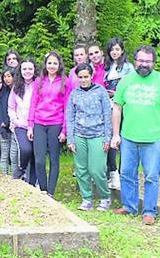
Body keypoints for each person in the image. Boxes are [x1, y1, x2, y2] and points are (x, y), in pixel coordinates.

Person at [111, 45, 160, 225]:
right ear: (135, 61)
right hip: (128, 137)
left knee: (151, 176)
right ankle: (129, 206)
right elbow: (117, 107)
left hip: (153, 140)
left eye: (148, 61)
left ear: (153, 63)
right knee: (126, 173)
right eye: (140, 60)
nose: (144, 64)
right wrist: (116, 134)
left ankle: (149, 211)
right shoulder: (126, 80)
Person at [66, 63, 112, 211]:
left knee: (96, 169)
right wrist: (71, 139)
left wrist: (107, 138)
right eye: (80, 77)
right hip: (79, 135)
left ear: (91, 76)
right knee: (81, 169)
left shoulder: (101, 91)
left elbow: (107, 115)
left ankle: (105, 197)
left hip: (97, 134)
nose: (83, 80)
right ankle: (86, 199)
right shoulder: (74, 93)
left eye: (86, 77)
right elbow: (70, 117)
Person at [28, 51, 70, 197]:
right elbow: (33, 103)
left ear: (59, 65)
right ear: (45, 65)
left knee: (54, 159)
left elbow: (67, 107)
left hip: (56, 124)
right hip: (39, 123)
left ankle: (50, 192)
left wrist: (64, 130)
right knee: (39, 160)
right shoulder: (39, 81)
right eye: (49, 63)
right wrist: (30, 125)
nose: (52, 66)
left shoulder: (65, 82)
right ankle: (43, 189)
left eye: (55, 63)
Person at [104, 37, 134, 190]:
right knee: (110, 140)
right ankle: (113, 172)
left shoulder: (128, 68)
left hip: (123, 107)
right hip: (108, 107)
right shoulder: (106, 68)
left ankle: (124, 175)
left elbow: (132, 86)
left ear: (122, 50)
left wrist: (116, 92)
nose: (114, 52)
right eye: (112, 49)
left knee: (122, 139)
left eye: (117, 49)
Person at [8, 58, 38, 185]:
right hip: (20, 125)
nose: (27, 71)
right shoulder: (16, 87)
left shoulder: (39, 84)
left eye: (30, 69)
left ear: (34, 70)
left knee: (36, 154)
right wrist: (14, 119)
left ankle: (33, 182)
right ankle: (22, 169)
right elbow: (11, 106)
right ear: (20, 70)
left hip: (37, 125)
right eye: (25, 69)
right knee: (26, 150)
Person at [0, 67, 18, 176]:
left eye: (9, 76)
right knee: (4, 155)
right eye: (5, 76)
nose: (6, 79)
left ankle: (15, 178)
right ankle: (4, 178)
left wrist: (8, 122)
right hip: (3, 128)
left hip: (14, 126)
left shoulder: (18, 90)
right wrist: (1, 124)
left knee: (14, 156)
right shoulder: (2, 92)